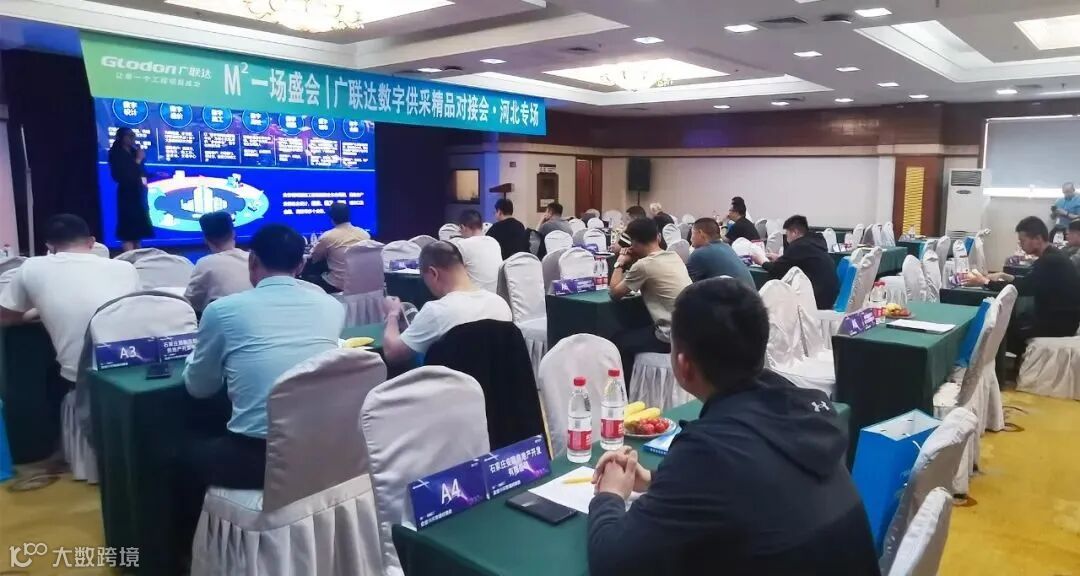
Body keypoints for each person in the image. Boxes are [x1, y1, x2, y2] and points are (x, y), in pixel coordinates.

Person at [587, 278, 879, 576]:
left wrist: (609, 495)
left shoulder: (710, 450)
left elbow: (613, 563)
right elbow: (755, 484)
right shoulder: (800, 411)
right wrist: (655, 480)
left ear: (684, 365)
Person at [179, 223, 344, 553]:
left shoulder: (222, 311)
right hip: (327, 449)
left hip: (260, 459)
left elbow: (200, 387)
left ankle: (190, 559)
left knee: (180, 459)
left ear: (252, 260)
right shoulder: (332, 307)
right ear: (300, 265)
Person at [0, 214, 139, 460]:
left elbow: (5, 316)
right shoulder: (126, 268)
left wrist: (36, 311)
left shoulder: (32, 267)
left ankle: (47, 445)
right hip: (132, 367)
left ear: (49, 247)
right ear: (92, 242)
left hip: (80, 376)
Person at [964, 216, 1080, 359]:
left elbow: (1022, 288)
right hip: (1061, 319)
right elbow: (1030, 281)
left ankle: (998, 369)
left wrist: (985, 281)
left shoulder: (1050, 261)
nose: (1020, 244)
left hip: (1058, 325)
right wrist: (1005, 276)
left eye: (1022, 240)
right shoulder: (1052, 256)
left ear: (1037, 239)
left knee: (998, 331)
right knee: (1010, 322)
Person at [382, 241, 512, 365]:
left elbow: (392, 353)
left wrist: (392, 314)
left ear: (433, 273)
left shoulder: (436, 312)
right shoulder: (500, 304)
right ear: (464, 267)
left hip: (450, 381)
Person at [610, 218, 691, 378]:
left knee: (617, 342)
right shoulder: (674, 256)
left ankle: (626, 388)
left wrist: (619, 262)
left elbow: (614, 293)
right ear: (658, 237)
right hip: (689, 330)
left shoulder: (644, 265)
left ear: (633, 243)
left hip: (669, 336)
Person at [753, 215, 840, 309]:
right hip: (829, 296)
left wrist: (762, 261)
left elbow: (777, 270)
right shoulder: (815, 242)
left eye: (787, 234)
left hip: (816, 301)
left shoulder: (799, 246)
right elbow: (800, 262)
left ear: (794, 232)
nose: (786, 238)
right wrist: (780, 258)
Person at [185, 211, 252, 312]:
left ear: (206, 239)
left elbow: (191, 303)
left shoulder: (204, 263)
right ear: (233, 233)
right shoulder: (254, 259)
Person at [306, 202, 370, 292]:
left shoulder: (327, 237)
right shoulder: (365, 234)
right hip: (363, 283)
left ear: (331, 218)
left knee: (309, 272)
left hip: (338, 285)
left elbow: (314, 258)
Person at [109, 127, 153, 252]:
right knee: (128, 230)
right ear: (121, 137)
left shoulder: (134, 152)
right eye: (129, 136)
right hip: (126, 194)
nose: (133, 138)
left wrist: (153, 175)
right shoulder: (116, 153)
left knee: (137, 231)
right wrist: (138, 160)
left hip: (138, 193)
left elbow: (140, 172)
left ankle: (138, 255)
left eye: (133, 135)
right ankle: (129, 256)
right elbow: (124, 174)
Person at [686, 218, 754, 289]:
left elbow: (686, 287)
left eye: (692, 234)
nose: (690, 239)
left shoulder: (699, 254)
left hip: (732, 295)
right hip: (750, 294)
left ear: (701, 233)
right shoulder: (727, 247)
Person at [452, 209, 502, 292]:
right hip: (496, 294)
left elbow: (452, 274)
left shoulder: (462, 245)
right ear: (481, 226)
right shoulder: (494, 242)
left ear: (462, 227)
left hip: (473, 295)